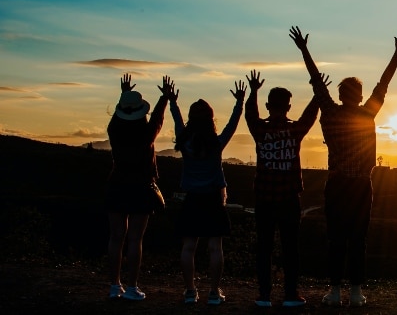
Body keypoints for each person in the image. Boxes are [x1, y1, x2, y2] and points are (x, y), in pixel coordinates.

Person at [291, 25, 397, 307]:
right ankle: (356, 291)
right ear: (359, 95)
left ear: (341, 93)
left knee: (336, 238)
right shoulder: (367, 113)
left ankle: (334, 291)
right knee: (358, 239)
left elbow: (316, 81)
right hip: (360, 185)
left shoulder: (331, 112)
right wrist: (396, 53)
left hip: (336, 184)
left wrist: (304, 50)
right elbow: (384, 83)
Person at [244, 69, 325, 308]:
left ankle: (264, 295)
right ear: (289, 106)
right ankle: (290, 294)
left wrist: (253, 92)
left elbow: (250, 114)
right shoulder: (295, 130)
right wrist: (317, 93)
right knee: (291, 248)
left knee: (264, 247)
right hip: (289, 198)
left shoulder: (260, 130)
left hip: (264, 198)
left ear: (268, 105)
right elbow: (310, 115)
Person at [171, 79, 247, 305]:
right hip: (214, 198)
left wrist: (172, 102)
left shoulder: (184, 142)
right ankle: (214, 292)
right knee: (215, 247)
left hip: (192, 198)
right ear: (210, 119)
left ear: (191, 119)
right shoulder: (216, 143)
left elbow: (176, 121)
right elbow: (232, 125)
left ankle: (189, 291)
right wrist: (239, 103)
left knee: (188, 246)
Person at [105, 73, 173, 300]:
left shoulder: (114, 130)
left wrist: (124, 94)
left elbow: (120, 115)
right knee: (135, 239)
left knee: (116, 237)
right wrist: (165, 97)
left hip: (117, 183)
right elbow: (158, 120)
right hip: (141, 187)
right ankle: (132, 286)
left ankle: (114, 285)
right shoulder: (146, 134)